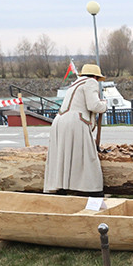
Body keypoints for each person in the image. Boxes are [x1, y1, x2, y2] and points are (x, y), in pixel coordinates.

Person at [43, 63, 107, 196]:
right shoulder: (90, 82)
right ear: (95, 76)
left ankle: (60, 187)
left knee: (62, 155)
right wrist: (104, 105)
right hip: (75, 122)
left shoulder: (75, 83)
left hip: (60, 121)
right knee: (86, 157)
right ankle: (91, 190)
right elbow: (94, 105)